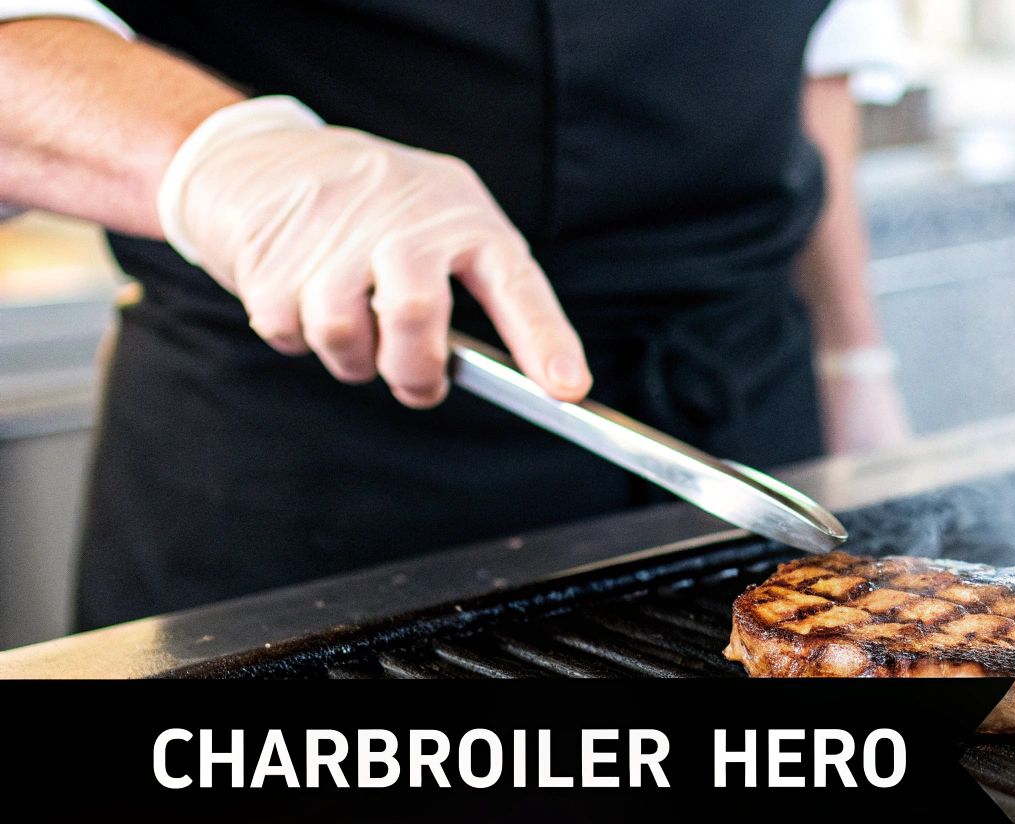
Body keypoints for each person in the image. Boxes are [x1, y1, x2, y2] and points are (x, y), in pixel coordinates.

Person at [0, 0, 913, 630]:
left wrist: (854, 356)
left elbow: (814, 58)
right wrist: (223, 157)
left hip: (743, 411)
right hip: (312, 461)